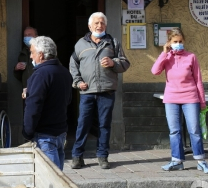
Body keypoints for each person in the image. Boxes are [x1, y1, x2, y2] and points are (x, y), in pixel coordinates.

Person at [69, 12, 130, 170]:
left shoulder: (113, 42)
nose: (99, 25)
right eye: (96, 23)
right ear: (90, 26)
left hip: (106, 90)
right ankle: (77, 156)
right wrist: (78, 82)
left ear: (106, 25)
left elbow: (125, 62)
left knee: (104, 125)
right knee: (83, 124)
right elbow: (73, 64)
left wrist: (113, 62)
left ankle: (102, 156)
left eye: (102, 22)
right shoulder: (80, 44)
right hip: (87, 91)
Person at [151, 28, 208, 174]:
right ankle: (177, 161)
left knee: (194, 130)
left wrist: (202, 101)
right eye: (175, 42)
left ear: (183, 41)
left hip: (190, 98)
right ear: (169, 42)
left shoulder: (191, 56)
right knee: (174, 131)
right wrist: (164, 52)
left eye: (180, 41)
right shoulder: (167, 57)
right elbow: (155, 71)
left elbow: (198, 80)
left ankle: (201, 161)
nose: (178, 44)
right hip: (171, 98)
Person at [22, 36, 72, 170]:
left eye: (32, 52)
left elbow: (33, 106)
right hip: (60, 132)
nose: (31, 57)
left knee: (51, 181)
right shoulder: (64, 72)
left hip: (45, 135)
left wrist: (27, 132)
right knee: (58, 176)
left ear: (41, 55)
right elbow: (68, 100)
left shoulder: (40, 74)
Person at [14, 26, 38, 100]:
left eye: (29, 35)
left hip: (40, 89)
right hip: (28, 92)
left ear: (36, 37)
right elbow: (20, 77)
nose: (27, 37)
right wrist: (16, 69)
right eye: (25, 35)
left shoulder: (42, 52)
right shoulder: (22, 54)